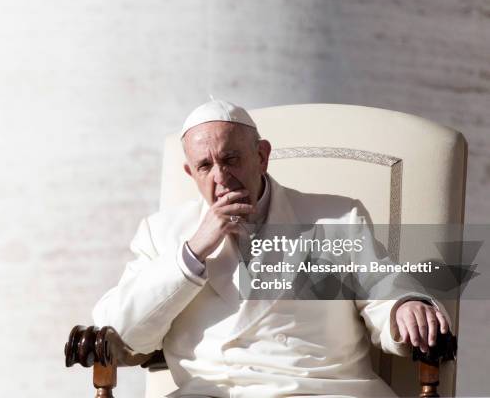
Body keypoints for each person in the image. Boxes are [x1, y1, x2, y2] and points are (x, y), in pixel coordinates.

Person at [92, 100, 450, 398]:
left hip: (321, 389)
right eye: (205, 166)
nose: (220, 177)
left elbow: (381, 287)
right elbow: (118, 330)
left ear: (262, 156)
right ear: (190, 173)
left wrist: (404, 306)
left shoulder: (335, 217)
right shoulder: (161, 233)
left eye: (231, 159)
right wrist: (192, 254)